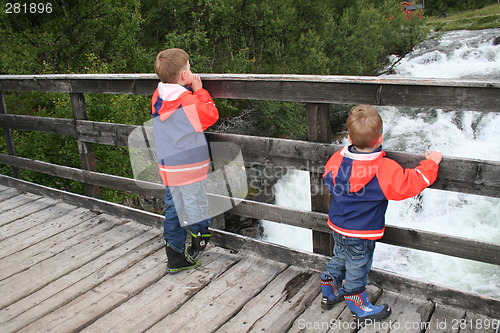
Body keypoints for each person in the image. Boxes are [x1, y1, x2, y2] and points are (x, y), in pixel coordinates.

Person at [320, 105, 443, 322]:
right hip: (362, 232)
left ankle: (329, 290)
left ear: (348, 138)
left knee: (340, 257)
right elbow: (410, 183)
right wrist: (431, 163)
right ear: (380, 138)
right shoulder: (384, 168)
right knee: (358, 266)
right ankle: (357, 304)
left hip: (338, 225)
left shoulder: (337, 160)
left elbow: (327, 177)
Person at [151, 48, 219, 273]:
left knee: (173, 208)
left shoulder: (158, 96)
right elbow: (210, 115)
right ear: (182, 76)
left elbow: (176, 101)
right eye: (189, 68)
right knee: (195, 205)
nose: (191, 71)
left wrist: (186, 89)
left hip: (169, 167)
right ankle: (199, 243)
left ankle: (174, 256)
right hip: (190, 167)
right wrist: (199, 91)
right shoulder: (188, 101)